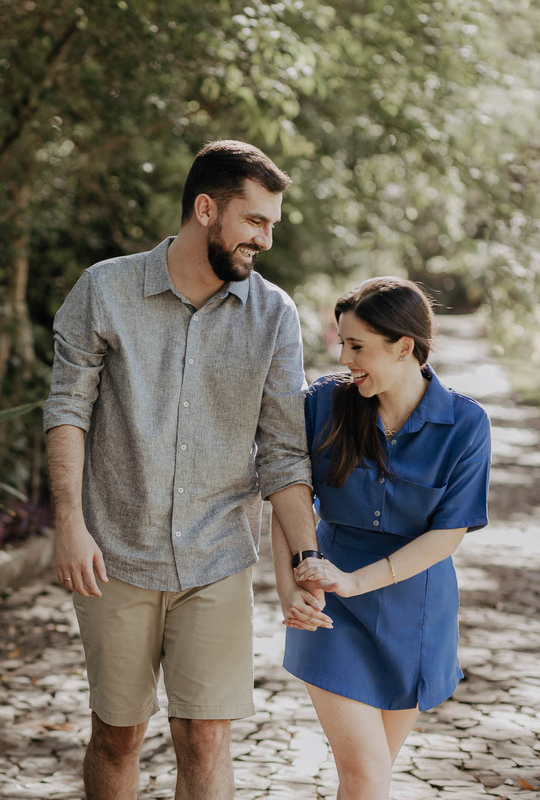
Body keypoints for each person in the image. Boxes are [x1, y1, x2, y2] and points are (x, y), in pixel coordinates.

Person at [44, 139, 331, 800]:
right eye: (254, 221)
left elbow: (285, 456)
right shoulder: (106, 289)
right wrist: (69, 522)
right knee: (118, 732)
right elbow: (67, 409)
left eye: (270, 226)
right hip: (116, 552)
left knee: (205, 734)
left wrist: (305, 561)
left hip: (217, 556)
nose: (264, 239)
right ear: (207, 209)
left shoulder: (273, 315)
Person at [273, 276, 492, 799]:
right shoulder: (324, 403)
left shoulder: (466, 424)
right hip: (331, 609)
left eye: (357, 346)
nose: (344, 358)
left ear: (404, 346)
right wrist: (288, 584)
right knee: (367, 777)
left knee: (369, 778)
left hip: (414, 612)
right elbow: (288, 493)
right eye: (342, 343)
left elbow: (447, 534)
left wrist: (356, 581)